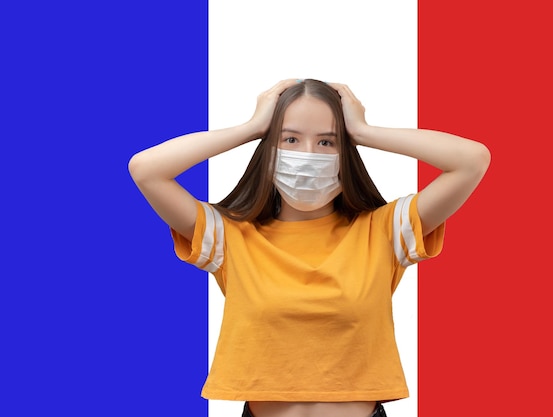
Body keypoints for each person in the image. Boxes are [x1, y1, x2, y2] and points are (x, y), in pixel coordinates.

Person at [128, 79, 490, 417]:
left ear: (345, 152)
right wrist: (251, 128)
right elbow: (146, 169)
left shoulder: (384, 230)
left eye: (327, 142)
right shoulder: (230, 236)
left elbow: (471, 160)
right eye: (290, 139)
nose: (308, 154)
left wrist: (364, 131)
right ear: (269, 150)